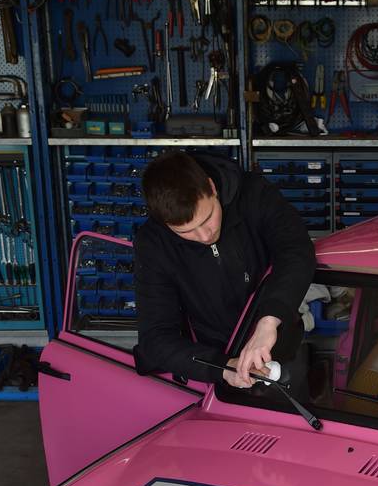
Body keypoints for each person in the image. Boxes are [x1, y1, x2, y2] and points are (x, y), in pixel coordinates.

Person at [133, 150, 315, 388]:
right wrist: (223, 368)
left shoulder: (253, 193)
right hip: (213, 366)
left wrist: (269, 322)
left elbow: (296, 250)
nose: (204, 235)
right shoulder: (154, 243)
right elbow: (156, 338)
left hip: (281, 344)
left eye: (207, 218)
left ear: (212, 187)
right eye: (186, 232)